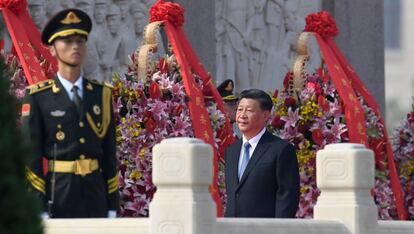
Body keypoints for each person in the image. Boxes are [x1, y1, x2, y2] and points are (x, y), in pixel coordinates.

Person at [22, 9, 118, 218]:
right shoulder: (38, 97)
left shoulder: (101, 94)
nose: (75, 46)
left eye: (80, 40)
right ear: (53, 49)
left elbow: (110, 155)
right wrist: (39, 208)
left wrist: (112, 205)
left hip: (95, 195)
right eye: (67, 41)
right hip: (59, 194)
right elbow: (31, 157)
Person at [224, 89, 299, 218]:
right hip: (233, 227)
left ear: (265, 115)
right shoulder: (232, 151)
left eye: (249, 110)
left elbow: (287, 196)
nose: (242, 115)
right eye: (240, 109)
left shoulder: (281, 149)